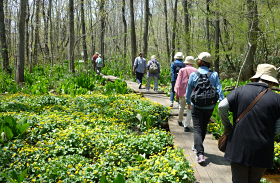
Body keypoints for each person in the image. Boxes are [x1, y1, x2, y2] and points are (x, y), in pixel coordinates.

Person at [218, 64, 280, 182]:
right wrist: (271, 134)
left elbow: (221, 106)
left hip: (238, 146)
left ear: (257, 77)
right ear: (272, 82)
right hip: (263, 148)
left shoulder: (240, 90)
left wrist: (228, 127)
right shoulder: (277, 99)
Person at [185, 52, 224, 164]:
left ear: (200, 62)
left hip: (196, 105)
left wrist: (188, 102)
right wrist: (221, 102)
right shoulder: (214, 74)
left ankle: (200, 153)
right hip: (210, 106)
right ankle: (198, 146)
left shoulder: (194, 74)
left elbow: (188, 92)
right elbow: (219, 90)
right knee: (203, 126)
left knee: (197, 128)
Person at [174, 56, 197, 132]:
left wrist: (177, 93)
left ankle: (180, 120)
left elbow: (178, 82)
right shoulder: (196, 70)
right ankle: (186, 126)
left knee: (181, 107)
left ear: (186, 62)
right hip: (192, 93)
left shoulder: (182, 70)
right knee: (189, 109)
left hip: (182, 92)